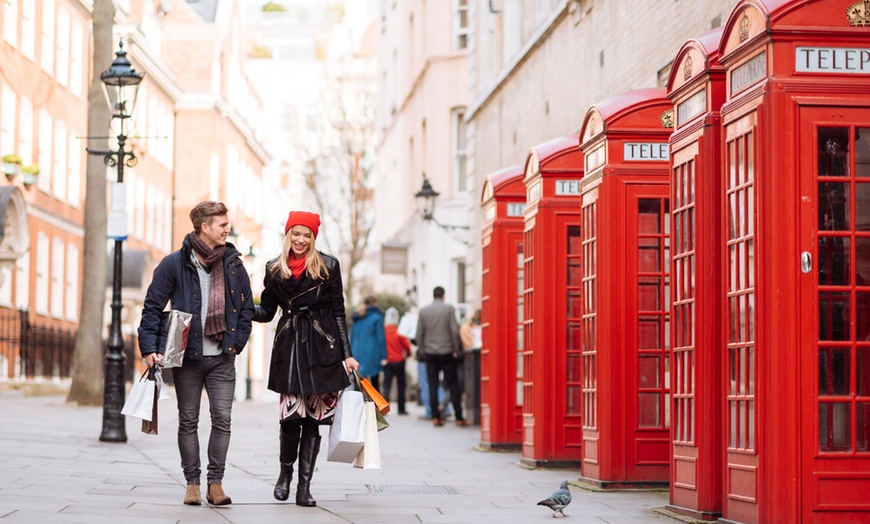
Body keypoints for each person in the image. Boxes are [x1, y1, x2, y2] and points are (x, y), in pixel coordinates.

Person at [138, 201, 254, 506]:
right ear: (205, 227)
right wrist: (149, 347)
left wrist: (237, 342)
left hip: (222, 358)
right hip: (188, 357)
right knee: (187, 419)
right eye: (222, 225)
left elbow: (245, 309)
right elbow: (152, 307)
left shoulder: (234, 265)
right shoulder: (174, 264)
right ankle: (192, 483)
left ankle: (215, 483)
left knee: (222, 419)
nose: (228, 229)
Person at [252, 210, 359, 507]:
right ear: (288, 235)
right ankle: (284, 474)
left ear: (314, 237)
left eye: (306, 235)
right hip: (290, 347)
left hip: (322, 347)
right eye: (295, 234)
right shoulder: (274, 269)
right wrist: (243, 307)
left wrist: (347, 355)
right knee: (290, 418)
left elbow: (338, 312)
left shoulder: (329, 266)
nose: (300, 240)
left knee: (313, 420)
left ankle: (304, 487)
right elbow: (267, 311)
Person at [415, 286, 470, 427]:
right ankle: (458, 417)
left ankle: (435, 417)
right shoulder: (448, 309)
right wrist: (456, 349)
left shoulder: (424, 311)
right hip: (446, 352)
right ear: (443, 296)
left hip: (430, 353)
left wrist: (422, 351)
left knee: (432, 385)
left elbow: (419, 334)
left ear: (433, 296)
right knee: (453, 384)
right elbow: (454, 330)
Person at [349, 295, 386, 391]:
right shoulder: (377, 317)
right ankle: (376, 405)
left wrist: (349, 354)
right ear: (375, 303)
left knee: (359, 383)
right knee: (375, 383)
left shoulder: (357, 317)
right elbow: (380, 338)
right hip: (372, 353)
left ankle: (359, 405)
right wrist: (384, 357)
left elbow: (352, 336)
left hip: (357, 352)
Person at [382, 307, 411, 415]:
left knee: (386, 385)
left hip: (388, 361)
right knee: (401, 385)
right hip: (399, 361)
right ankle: (401, 409)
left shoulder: (383, 331)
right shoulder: (400, 331)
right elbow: (406, 346)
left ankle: (384, 409)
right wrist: (408, 354)